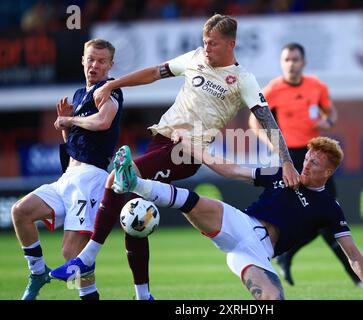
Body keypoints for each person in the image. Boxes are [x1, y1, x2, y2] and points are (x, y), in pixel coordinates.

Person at [50, 14, 300, 300]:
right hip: (161, 141)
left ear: (231, 44)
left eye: (214, 44)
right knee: (134, 209)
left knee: (118, 178)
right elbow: (155, 73)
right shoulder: (195, 58)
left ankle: (87, 256)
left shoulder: (243, 80)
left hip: (185, 151)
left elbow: (267, 120)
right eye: (205, 42)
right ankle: (143, 295)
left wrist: (287, 162)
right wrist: (112, 85)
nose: (207, 48)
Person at [110, 136, 363, 300]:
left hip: (257, 252)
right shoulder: (282, 173)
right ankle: (136, 182)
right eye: (307, 158)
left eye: (314, 163)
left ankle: (136, 182)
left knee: (273, 298)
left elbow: (352, 253)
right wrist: (201, 153)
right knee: (194, 202)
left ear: (327, 172)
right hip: (242, 222)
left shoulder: (329, 206)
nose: (306, 164)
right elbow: (232, 171)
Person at [11, 39, 123, 300]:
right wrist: (66, 129)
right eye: (91, 59)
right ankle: (37, 273)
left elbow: (104, 121)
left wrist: (70, 119)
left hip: (91, 178)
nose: (95, 65)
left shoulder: (109, 89)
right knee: (21, 212)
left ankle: (89, 295)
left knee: (71, 254)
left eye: (101, 61)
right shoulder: (78, 95)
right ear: (83, 60)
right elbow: (75, 143)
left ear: (110, 65)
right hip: (68, 177)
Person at [248, 43, 360, 286]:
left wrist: (328, 121)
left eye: (295, 59)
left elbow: (331, 114)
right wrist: (272, 147)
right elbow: (254, 120)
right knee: (316, 217)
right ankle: (357, 278)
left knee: (327, 213)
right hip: (291, 159)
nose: (291, 64)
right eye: (287, 59)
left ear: (303, 62)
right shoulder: (274, 89)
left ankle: (287, 257)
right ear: (281, 63)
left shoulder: (316, 86)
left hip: (316, 158)